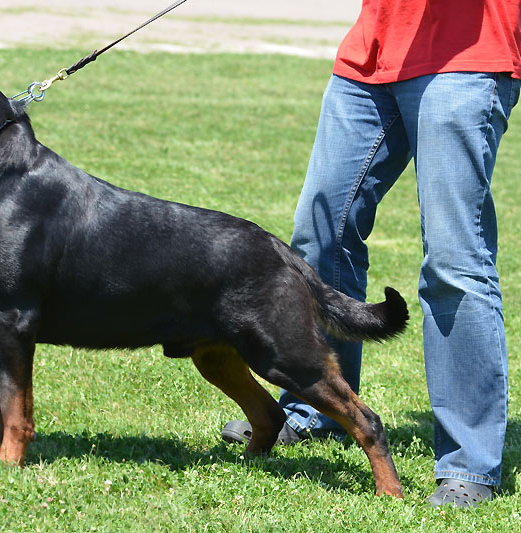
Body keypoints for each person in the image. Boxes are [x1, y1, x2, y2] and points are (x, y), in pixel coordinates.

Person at [221, 0, 521, 508]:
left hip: (466, 59)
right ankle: (319, 408)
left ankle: (470, 462)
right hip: (372, 53)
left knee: (453, 260)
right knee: (319, 236)